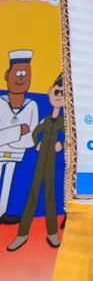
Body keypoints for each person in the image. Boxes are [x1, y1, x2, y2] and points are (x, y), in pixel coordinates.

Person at [8, 75, 64, 252]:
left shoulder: (64, 122)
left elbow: (68, 137)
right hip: (40, 161)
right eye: (57, 92)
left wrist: (60, 144)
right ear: (49, 93)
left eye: (63, 94)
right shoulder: (45, 120)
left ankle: (52, 233)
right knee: (32, 195)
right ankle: (22, 234)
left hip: (52, 163)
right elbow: (34, 133)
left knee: (50, 196)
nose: (59, 96)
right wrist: (37, 143)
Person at [0, 49, 38, 224]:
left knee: (8, 181)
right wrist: (16, 132)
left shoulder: (31, 106)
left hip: (17, 152)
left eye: (26, 74)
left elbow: (31, 135)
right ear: (8, 75)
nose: (21, 78)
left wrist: (14, 136)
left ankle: (2, 211)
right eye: (18, 73)